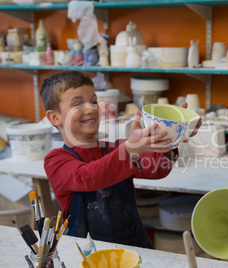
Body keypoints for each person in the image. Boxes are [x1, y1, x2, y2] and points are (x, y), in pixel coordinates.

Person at [41, 70, 201, 248]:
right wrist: (130, 149)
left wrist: (172, 136)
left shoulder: (114, 148)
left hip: (132, 246)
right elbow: (89, 177)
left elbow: (157, 169)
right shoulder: (56, 161)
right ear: (54, 117)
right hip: (87, 253)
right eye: (78, 104)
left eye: (94, 101)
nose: (91, 108)